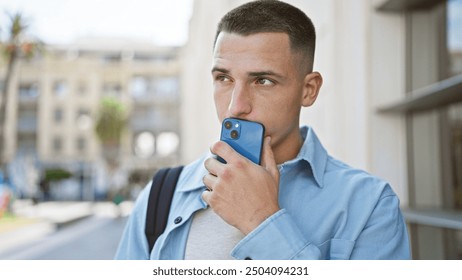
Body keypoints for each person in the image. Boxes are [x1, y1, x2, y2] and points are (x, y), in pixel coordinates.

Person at [115, 0, 410, 260]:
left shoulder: (370, 206)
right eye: (224, 78)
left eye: (262, 81)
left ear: (308, 90)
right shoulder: (162, 194)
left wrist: (262, 221)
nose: (235, 107)